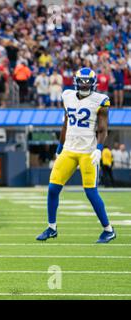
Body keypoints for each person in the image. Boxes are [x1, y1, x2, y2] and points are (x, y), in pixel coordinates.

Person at [36, 68, 116, 243]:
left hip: (88, 152)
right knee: (52, 189)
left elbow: (103, 128)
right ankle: (51, 228)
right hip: (69, 150)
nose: (85, 84)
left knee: (91, 193)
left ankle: (108, 230)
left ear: (93, 83)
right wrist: (59, 146)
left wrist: (99, 148)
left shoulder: (100, 100)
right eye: (82, 81)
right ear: (76, 81)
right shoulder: (67, 96)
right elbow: (66, 124)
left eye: (88, 82)